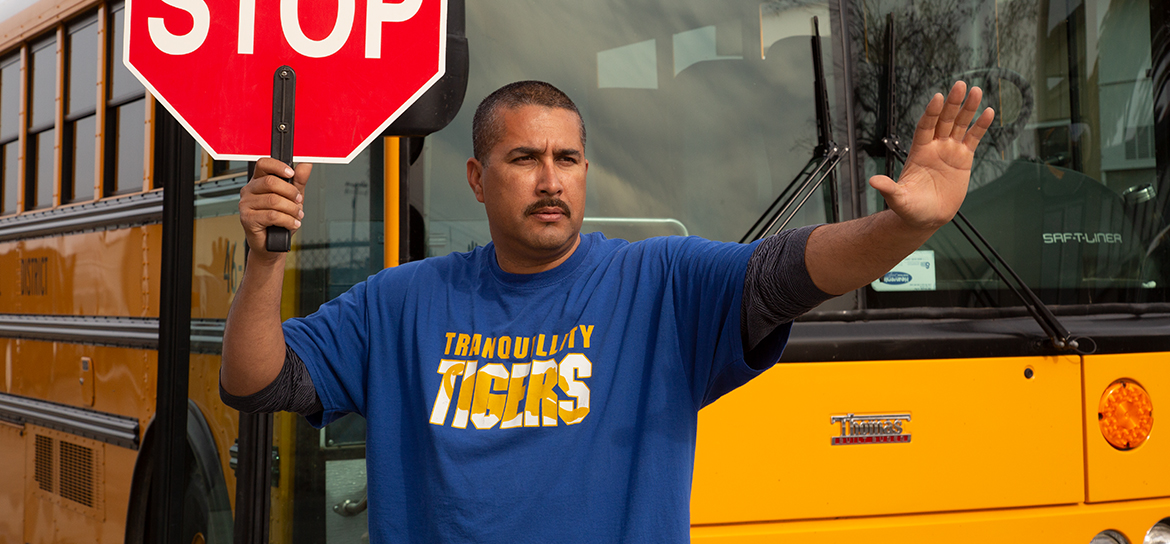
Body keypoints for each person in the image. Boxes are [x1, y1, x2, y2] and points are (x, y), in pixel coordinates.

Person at [221, 79, 993, 543]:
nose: (550, 179)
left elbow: (792, 270)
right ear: (478, 178)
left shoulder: (660, 282)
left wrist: (903, 227)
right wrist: (265, 260)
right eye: (524, 159)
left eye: (567, 159)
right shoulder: (402, 302)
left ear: (587, 170)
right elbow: (257, 383)